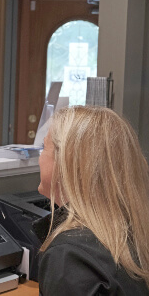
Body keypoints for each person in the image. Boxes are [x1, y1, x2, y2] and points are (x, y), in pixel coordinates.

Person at [34, 106, 149, 295]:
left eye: (44, 148)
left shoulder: (69, 256)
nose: (39, 159)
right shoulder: (134, 233)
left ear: (65, 162)